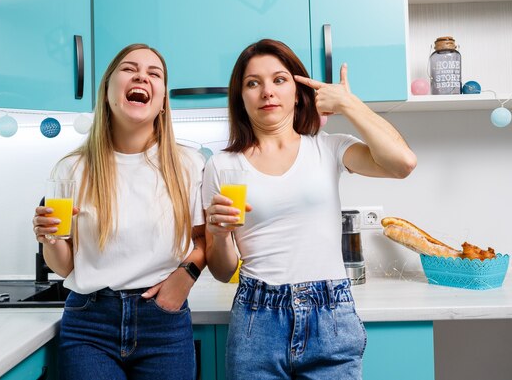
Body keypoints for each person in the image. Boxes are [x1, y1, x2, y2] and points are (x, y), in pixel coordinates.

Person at [202, 39, 417, 379]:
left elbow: (403, 163)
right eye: (252, 83)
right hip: (256, 320)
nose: (266, 92)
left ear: (298, 91)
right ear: (241, 98)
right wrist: (219, 234)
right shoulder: (222, 166)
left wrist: (349, 104)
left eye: (279, 79)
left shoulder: (328, 149)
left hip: (331, 317)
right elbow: (221, 268)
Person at [32, 44, 206, 380]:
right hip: (89, 324)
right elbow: (64, 265)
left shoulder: (189, 165)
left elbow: (204, 241)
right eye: (129, 69)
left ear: (162, 100)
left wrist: (185, 279)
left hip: (164, 323)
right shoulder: (71, 169)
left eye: (154, 73)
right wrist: (50, 237)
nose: (142, 75)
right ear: (108, 89)